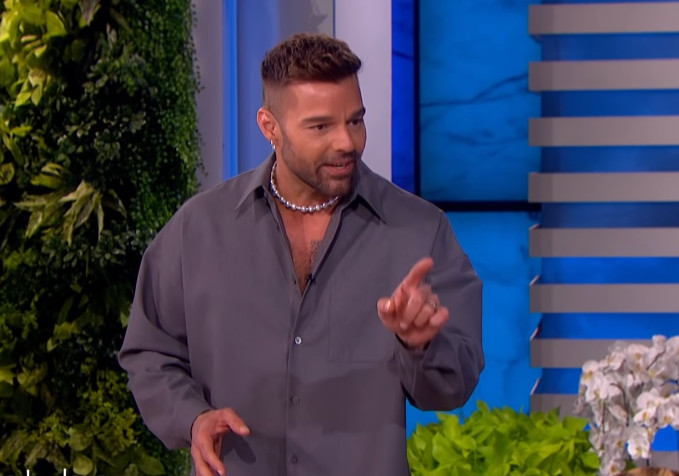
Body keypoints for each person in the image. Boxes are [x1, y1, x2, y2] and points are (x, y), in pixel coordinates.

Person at [118, 32, 484, 476]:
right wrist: (192, 419)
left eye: (355, 120)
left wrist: (420, 344)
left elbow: (455, 384)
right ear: (269, 127)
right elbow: (149, 353)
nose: (346, 142)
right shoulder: (198, 229)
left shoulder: (420, 232)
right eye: (320, 127)